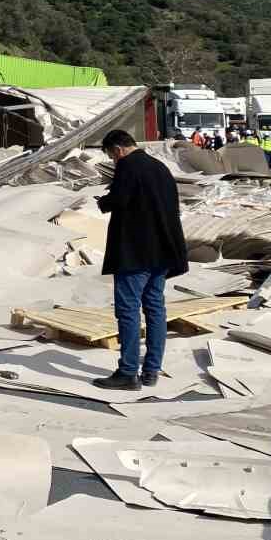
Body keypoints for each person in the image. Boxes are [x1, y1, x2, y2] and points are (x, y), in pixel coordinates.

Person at [92, 130, 188, 392]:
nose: (114, 161)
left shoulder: (128, 166)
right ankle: (151, 370)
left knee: (128, 310)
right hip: (163, 251)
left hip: (135, 253)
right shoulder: (160, 168)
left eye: (112, 156)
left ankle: (127, 373)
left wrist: (103, 201)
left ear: (118, 149)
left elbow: (119, 199)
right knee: (155, 308)